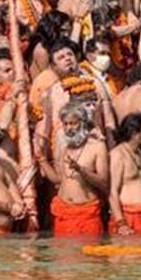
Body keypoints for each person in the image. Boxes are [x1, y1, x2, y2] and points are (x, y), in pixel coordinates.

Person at [41, 101, 108, 236]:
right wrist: (41, 160)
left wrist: (81, 170)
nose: (68, 128)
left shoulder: (97, 147)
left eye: (73, 123)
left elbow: (104, 182)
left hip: (87, 215)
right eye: (65, 124)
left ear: (83, 123)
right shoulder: (63, 146)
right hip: (63, 213)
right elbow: (59, 179)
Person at [108, 112, 141, 235]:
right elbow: (112, 191)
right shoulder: (118, 154)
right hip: (128, 218)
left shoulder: (139, 154)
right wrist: (121, 223)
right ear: (134, 133)